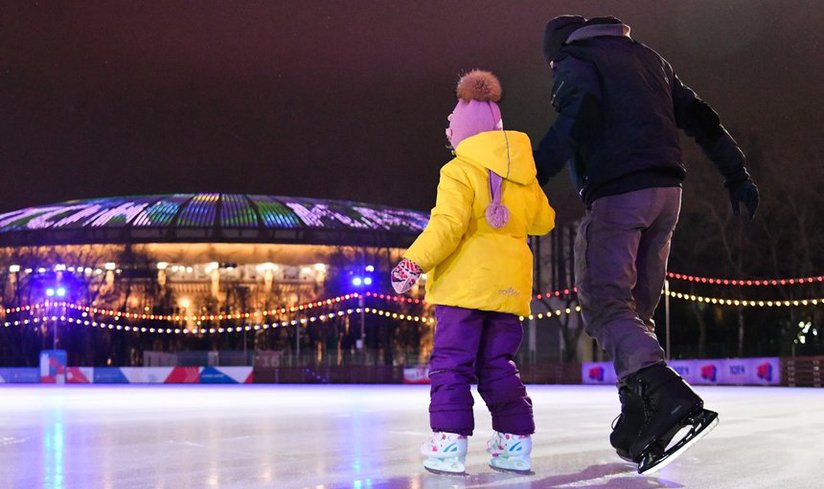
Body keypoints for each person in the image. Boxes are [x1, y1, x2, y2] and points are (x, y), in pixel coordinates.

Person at [535, 15, 759, 474]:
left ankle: (666, 396)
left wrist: (532, 174)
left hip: (619, 192)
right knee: (635, 312)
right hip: (667, 196)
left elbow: (579, 115)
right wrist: (735, 172)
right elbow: (701, 117)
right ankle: (639, 418)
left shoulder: (575, 60)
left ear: (557, 50)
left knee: (605, 304)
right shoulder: (650, 59)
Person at [390, 70, 555, 475]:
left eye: (451, 125)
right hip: (507, 290)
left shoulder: (458, 171)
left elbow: (447, 225)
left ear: (463, 132)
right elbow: (544, 220)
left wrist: (414, 262)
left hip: (463, 289)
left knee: (452, 364)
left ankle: (447, 446)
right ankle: (515, 446)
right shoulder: (524, 175)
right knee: (498, 364)